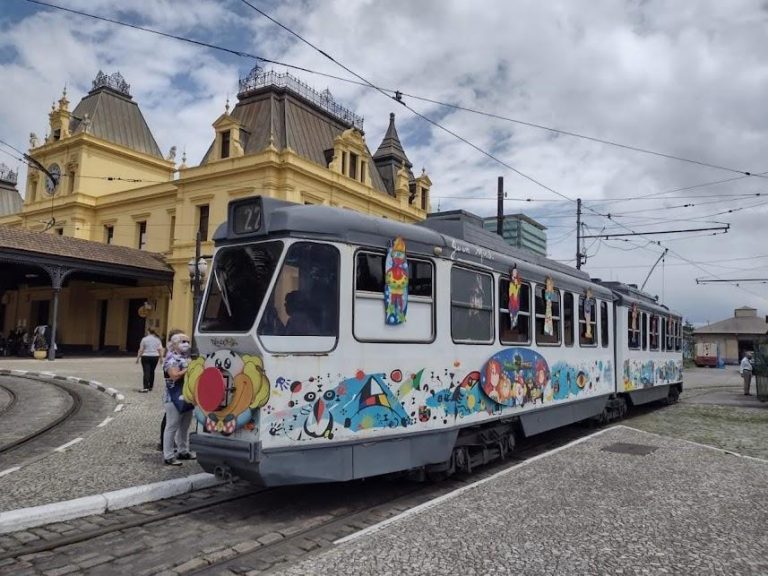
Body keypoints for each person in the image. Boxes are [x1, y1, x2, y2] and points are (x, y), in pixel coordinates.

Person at [162, 332, 195, 465]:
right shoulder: (171, 359)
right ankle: (168, 455)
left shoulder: (186, 358)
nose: (186, 344)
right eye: (183, 341)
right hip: (173, 397)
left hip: (186, 396)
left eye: (187, 341)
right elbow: (174, 375)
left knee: (184, 426)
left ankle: (183, 451)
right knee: (172, 426)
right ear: (174, 344)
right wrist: (188, 370)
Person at [136, 328, 164, 393]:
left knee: (146, 372)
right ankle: (151, 386)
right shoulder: (157, 339)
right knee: (152, 371)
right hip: (155, 357)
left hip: (146, 356)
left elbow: (141, 349)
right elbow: (160, 349)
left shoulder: (144, 339)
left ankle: (145, 387)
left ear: (148, 332)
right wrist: (161, 358)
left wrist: (138, 358)